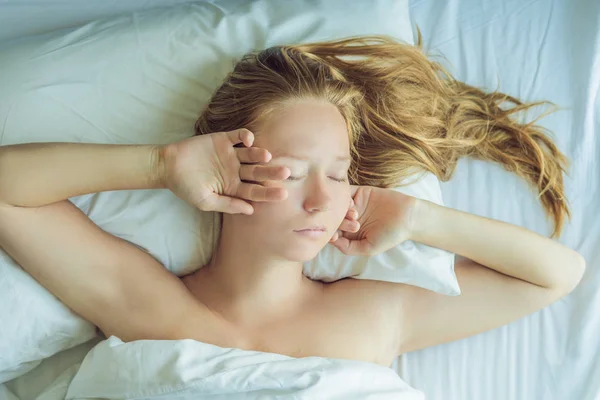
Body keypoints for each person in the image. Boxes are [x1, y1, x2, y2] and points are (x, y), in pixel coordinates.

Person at [0, 36, 585, 368]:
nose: (321, 199)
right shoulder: (144, 302)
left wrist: (421, 219)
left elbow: (556, 275)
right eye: (295, 171)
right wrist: (160, 165)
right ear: (226, 169)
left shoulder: (373, 315)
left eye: (337, 174)